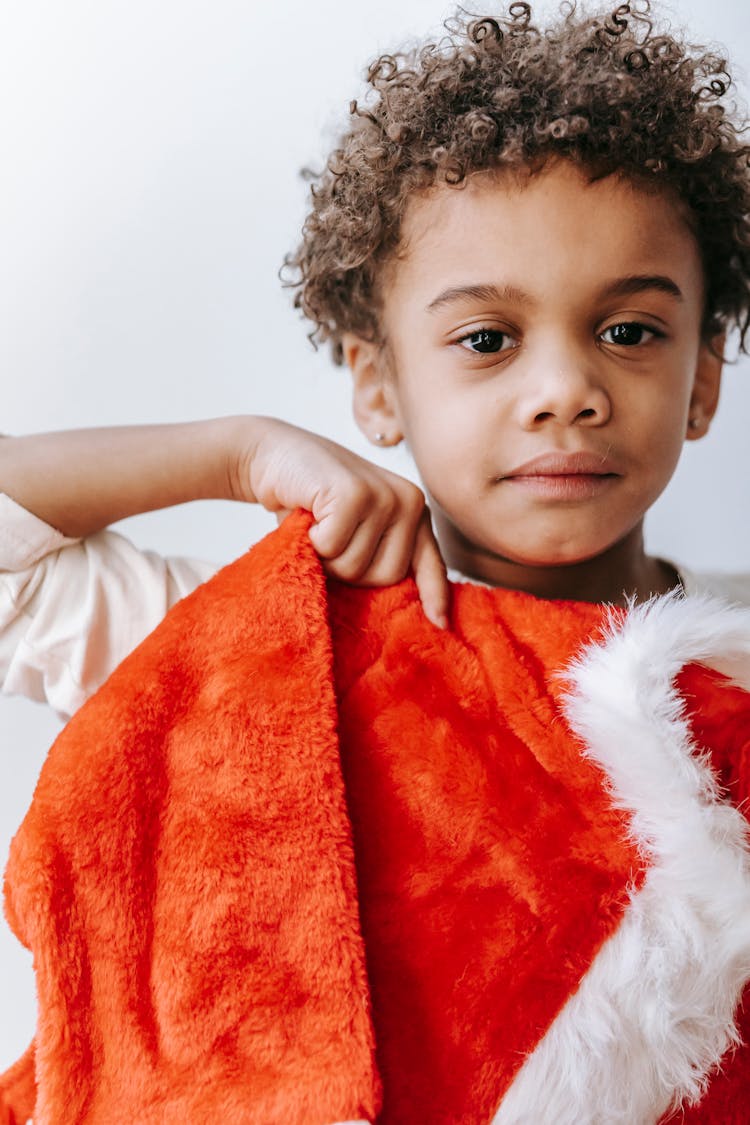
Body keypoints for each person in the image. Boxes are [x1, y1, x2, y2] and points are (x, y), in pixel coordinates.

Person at [2, 2, 750, 1122]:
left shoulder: (733, 674)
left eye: (630, 331)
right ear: (377, 385)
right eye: (487, 340)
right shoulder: (247, 646)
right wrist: (240, 452)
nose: (566, 390)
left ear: (702, 379)